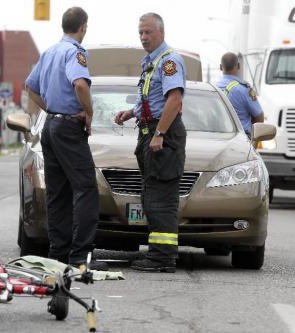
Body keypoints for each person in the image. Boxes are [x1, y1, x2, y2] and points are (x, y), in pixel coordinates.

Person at [24, 7, 108, 271]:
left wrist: (50, 107)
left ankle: (58, 253)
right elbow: (80, 84)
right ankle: (80, 256)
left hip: (51, 127)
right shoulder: (75, 52)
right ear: (83, 26)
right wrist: (89, 112)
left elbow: (30, 86)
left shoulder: (49, 52)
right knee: (86, 189)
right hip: (69, 127)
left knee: (58, 192)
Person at [114, 13, 186, 273]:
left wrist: (160, 134)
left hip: (161, 133)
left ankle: (163, 257)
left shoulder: (169, 62)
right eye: (140, 33)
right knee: (152, 196)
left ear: (161, 32)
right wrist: (131, 113)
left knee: (162, 199)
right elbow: (153, 99)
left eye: (148, 32)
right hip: (149, 130)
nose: (143, 37)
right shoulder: (150, 62)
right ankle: (157, 254)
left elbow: (174, 100)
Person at [217, 52, 264, 136]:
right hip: (242, 140)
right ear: (238, 66)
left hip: (218, 138)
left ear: (221, 67)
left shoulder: (213, 88)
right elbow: (259, 118)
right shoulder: (245, 90)